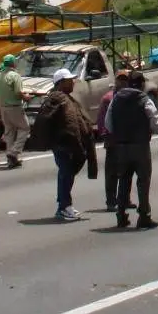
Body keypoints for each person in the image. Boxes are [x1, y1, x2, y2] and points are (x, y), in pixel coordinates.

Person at [105, 71, 158, 229]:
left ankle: (121, 215)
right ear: (141, 84)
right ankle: (144, 216)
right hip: (140, 146)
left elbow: (108, 122)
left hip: (121, 146)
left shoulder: (117, 99)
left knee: (124, 180)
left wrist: (118, 134)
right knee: (143, 182)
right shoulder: (144, 99)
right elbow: (154, 119)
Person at [39, 68, 97, 221]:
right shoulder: (56, 99)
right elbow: (59, 122)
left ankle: (64, 205)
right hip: (63, 145)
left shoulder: (66, 98)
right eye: (69, 80)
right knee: (66, 174)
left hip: (68, 145)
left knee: (67, 174)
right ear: (61, 83)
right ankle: (64, 207)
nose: (72, 83)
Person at [97, 70, 134, 211]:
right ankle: (111, 201)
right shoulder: (108, 98)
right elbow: (101, 120)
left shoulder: (132, 97)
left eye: (125, 80)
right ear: (116, 81)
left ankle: (125, 199)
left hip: (128, 140)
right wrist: (106, 135)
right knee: (112, 173)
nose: (123, 82)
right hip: (113, 141)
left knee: (128, 171)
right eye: (120, 79)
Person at [0, 54, 30, 169]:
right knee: (25, 128)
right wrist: (26, 97)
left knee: (9, 132)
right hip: (15, 107)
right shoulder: (15, 76)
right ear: (13, 63)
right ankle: (14, 152)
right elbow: (18, 92)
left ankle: (11, 160)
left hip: (3, 108)